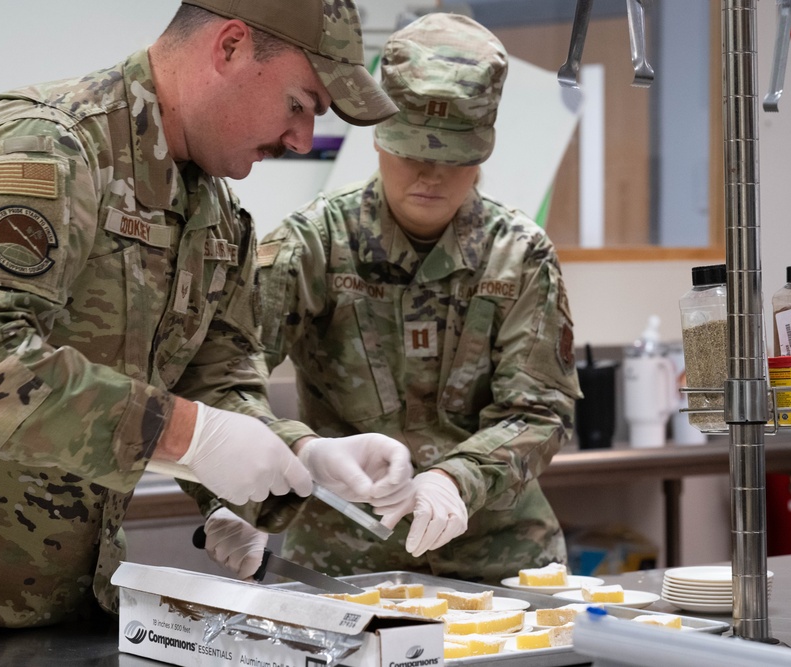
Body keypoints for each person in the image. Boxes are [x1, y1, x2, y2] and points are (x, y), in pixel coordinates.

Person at [0, 0, 414, 641]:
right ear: (229, 47)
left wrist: (300, 452)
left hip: (70, 605)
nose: (302, 139)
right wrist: (189, 437)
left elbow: (216, 378)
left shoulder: (216, 213)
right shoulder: (46, 148)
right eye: (299, 103)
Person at [201, 12, 582, 585]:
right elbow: (220, 376)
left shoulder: (519, 254)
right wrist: (229, 494)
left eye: (452, 158)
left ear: (481, 152)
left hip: (496, 563)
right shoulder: (315, 244)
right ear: (379, 140)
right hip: (340, 562)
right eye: (411, 151)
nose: (429, 174)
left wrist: (458, 479)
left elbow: (539, 410)